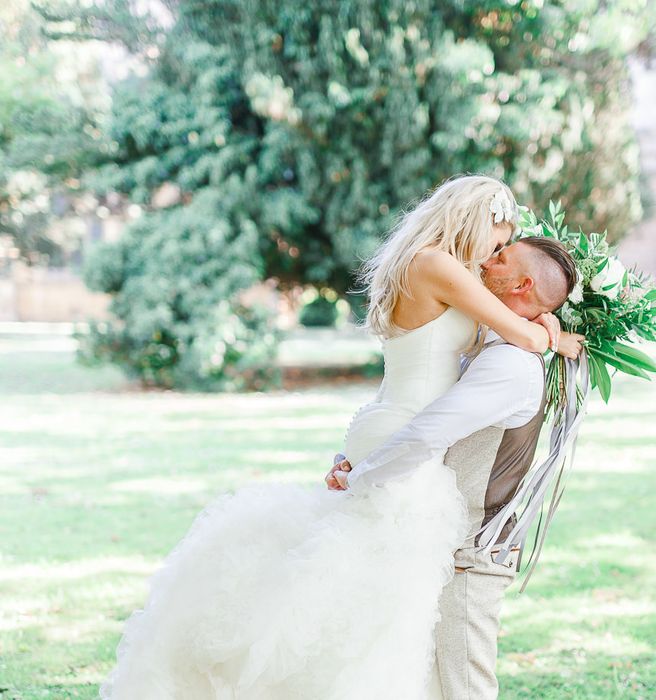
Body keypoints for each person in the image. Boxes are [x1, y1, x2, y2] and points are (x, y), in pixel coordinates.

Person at [100, 175, 578, 700]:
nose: (494, 255)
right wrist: (554, 334)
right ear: (474, 223)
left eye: (503, 250)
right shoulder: (436, 265)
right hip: (406, 437)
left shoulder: (432, 267)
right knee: (367, 605)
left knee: (363, 595)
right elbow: (521, 333)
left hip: (392, 423)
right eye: (498, 241)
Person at [328, 236, 583, 699]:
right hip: (438, 545)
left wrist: (359, 481)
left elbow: (429, 433)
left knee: (464, 687)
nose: (486, 260)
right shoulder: (490, 347)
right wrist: (357, 457)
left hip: (471, 553)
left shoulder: (509, 364)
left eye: (500, 258)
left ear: (522, 284)